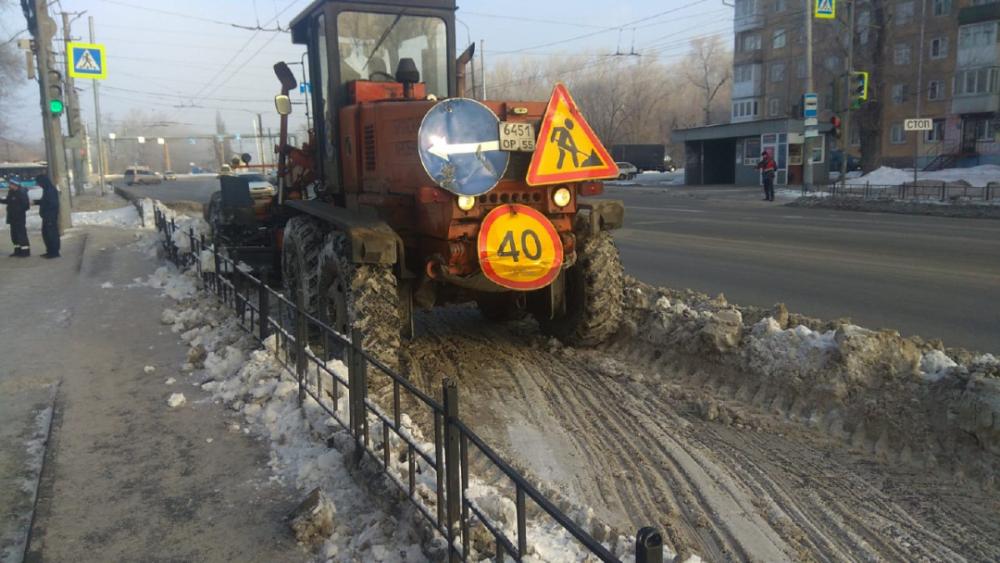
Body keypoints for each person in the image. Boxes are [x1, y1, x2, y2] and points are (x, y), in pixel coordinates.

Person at [2, 179, 31, 257]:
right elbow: (9, 201)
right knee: (14, 234)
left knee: (21, 234)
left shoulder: (21, 192)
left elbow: (26, 206)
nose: (9, 185)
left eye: (11, 184)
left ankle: (25, 251)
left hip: (19, 217)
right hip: (12, 217)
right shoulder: (11, 192)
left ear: (15, 185)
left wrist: (17, 211)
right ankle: (17, 250)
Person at [35, 174, 60, 258]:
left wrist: (46, 211)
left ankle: (54, 252)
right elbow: (45, 201)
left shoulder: (50, 190)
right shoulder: (46, 189)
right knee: (46, 234)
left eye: (39, 183)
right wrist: (36, 202)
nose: (39, 184)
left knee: (51, 234)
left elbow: (53, 204)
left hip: (50, 217)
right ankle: (49, 251)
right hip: (46, 216)